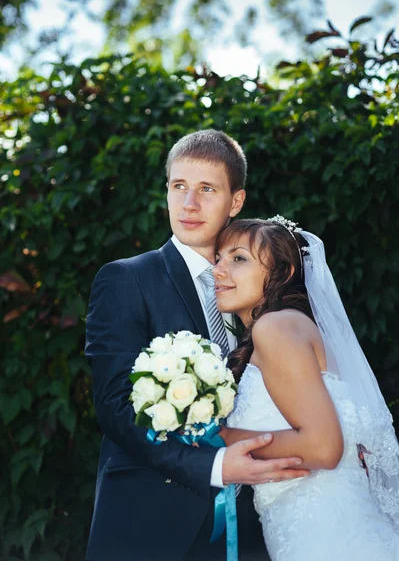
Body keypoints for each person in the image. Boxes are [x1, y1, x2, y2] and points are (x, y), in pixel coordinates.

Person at [84, 131, 309, 561]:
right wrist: (214, 467)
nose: (189, 205)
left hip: (256, 520)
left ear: (236, 201)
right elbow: (115, 406)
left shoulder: (262, 286)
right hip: (152, 521)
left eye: (207, 190)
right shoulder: (126, 279)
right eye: (178, 187)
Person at [213, 216, 399, 561]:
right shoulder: (289, 328)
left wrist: (216, 437)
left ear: (282, 274)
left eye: (238, 258)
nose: (219, 270)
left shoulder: (276, 327)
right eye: (219, 258)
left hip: (329, 541)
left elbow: (323, 448)